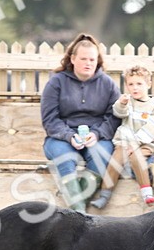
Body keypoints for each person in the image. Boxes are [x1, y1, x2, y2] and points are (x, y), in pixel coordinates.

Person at [40, 32, 120, 212]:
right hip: (61, 137)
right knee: (65, 159)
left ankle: (77, 211)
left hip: (97, 136)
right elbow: (50, 119)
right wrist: (69, 136)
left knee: (101, 157)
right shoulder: (56, 82)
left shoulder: (108, 84)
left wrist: (98, 134)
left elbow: (114, 117)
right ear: (73, 59)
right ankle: (79, 213)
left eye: (92, 59)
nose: (88, 63)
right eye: (83, 59)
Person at [90, 65, 154, 209]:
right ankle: (105, 195)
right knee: (115, 160)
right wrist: (121, 104)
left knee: (136, 157)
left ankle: (147, 193)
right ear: (126, 86)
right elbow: (119, 114)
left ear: (148, 84)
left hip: (145, 143)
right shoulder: (127, 101)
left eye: (139, 84)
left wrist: (135, 143)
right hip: (124, 142)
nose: (135, 88)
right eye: (131, 84)